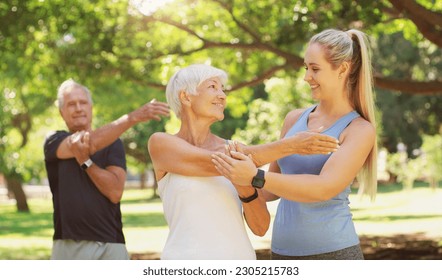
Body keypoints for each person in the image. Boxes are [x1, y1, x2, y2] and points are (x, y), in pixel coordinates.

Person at [212, 28, 377, 260]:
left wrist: (254, 175)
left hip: (333, 254)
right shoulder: (294, 119)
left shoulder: (359, 129)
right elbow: (270, 191)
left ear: (342, 68)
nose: (306, 77)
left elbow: (323, 188)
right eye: (306, 68)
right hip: (281, 252)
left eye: (315, 69)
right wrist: (237, 174)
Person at [147, 64, 340, 260]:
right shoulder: (161, 144)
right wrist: (291, 145)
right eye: (213, 87)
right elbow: (217, 163)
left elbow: (260, 227)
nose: (222, 95)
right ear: (186, 97)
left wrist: (245, 187)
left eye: (223, 89)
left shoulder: (236, 149)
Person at [43, 79, 169, 260]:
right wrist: (132, 118)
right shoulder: (53, 141)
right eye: (71, 104)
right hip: (68, 245)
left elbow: (115, 192)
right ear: (61, 112)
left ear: (91, 108)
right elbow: (88, 142)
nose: (78, 108)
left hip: (111, 245)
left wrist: (86, 162)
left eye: (83, 102)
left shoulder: (113, 143)